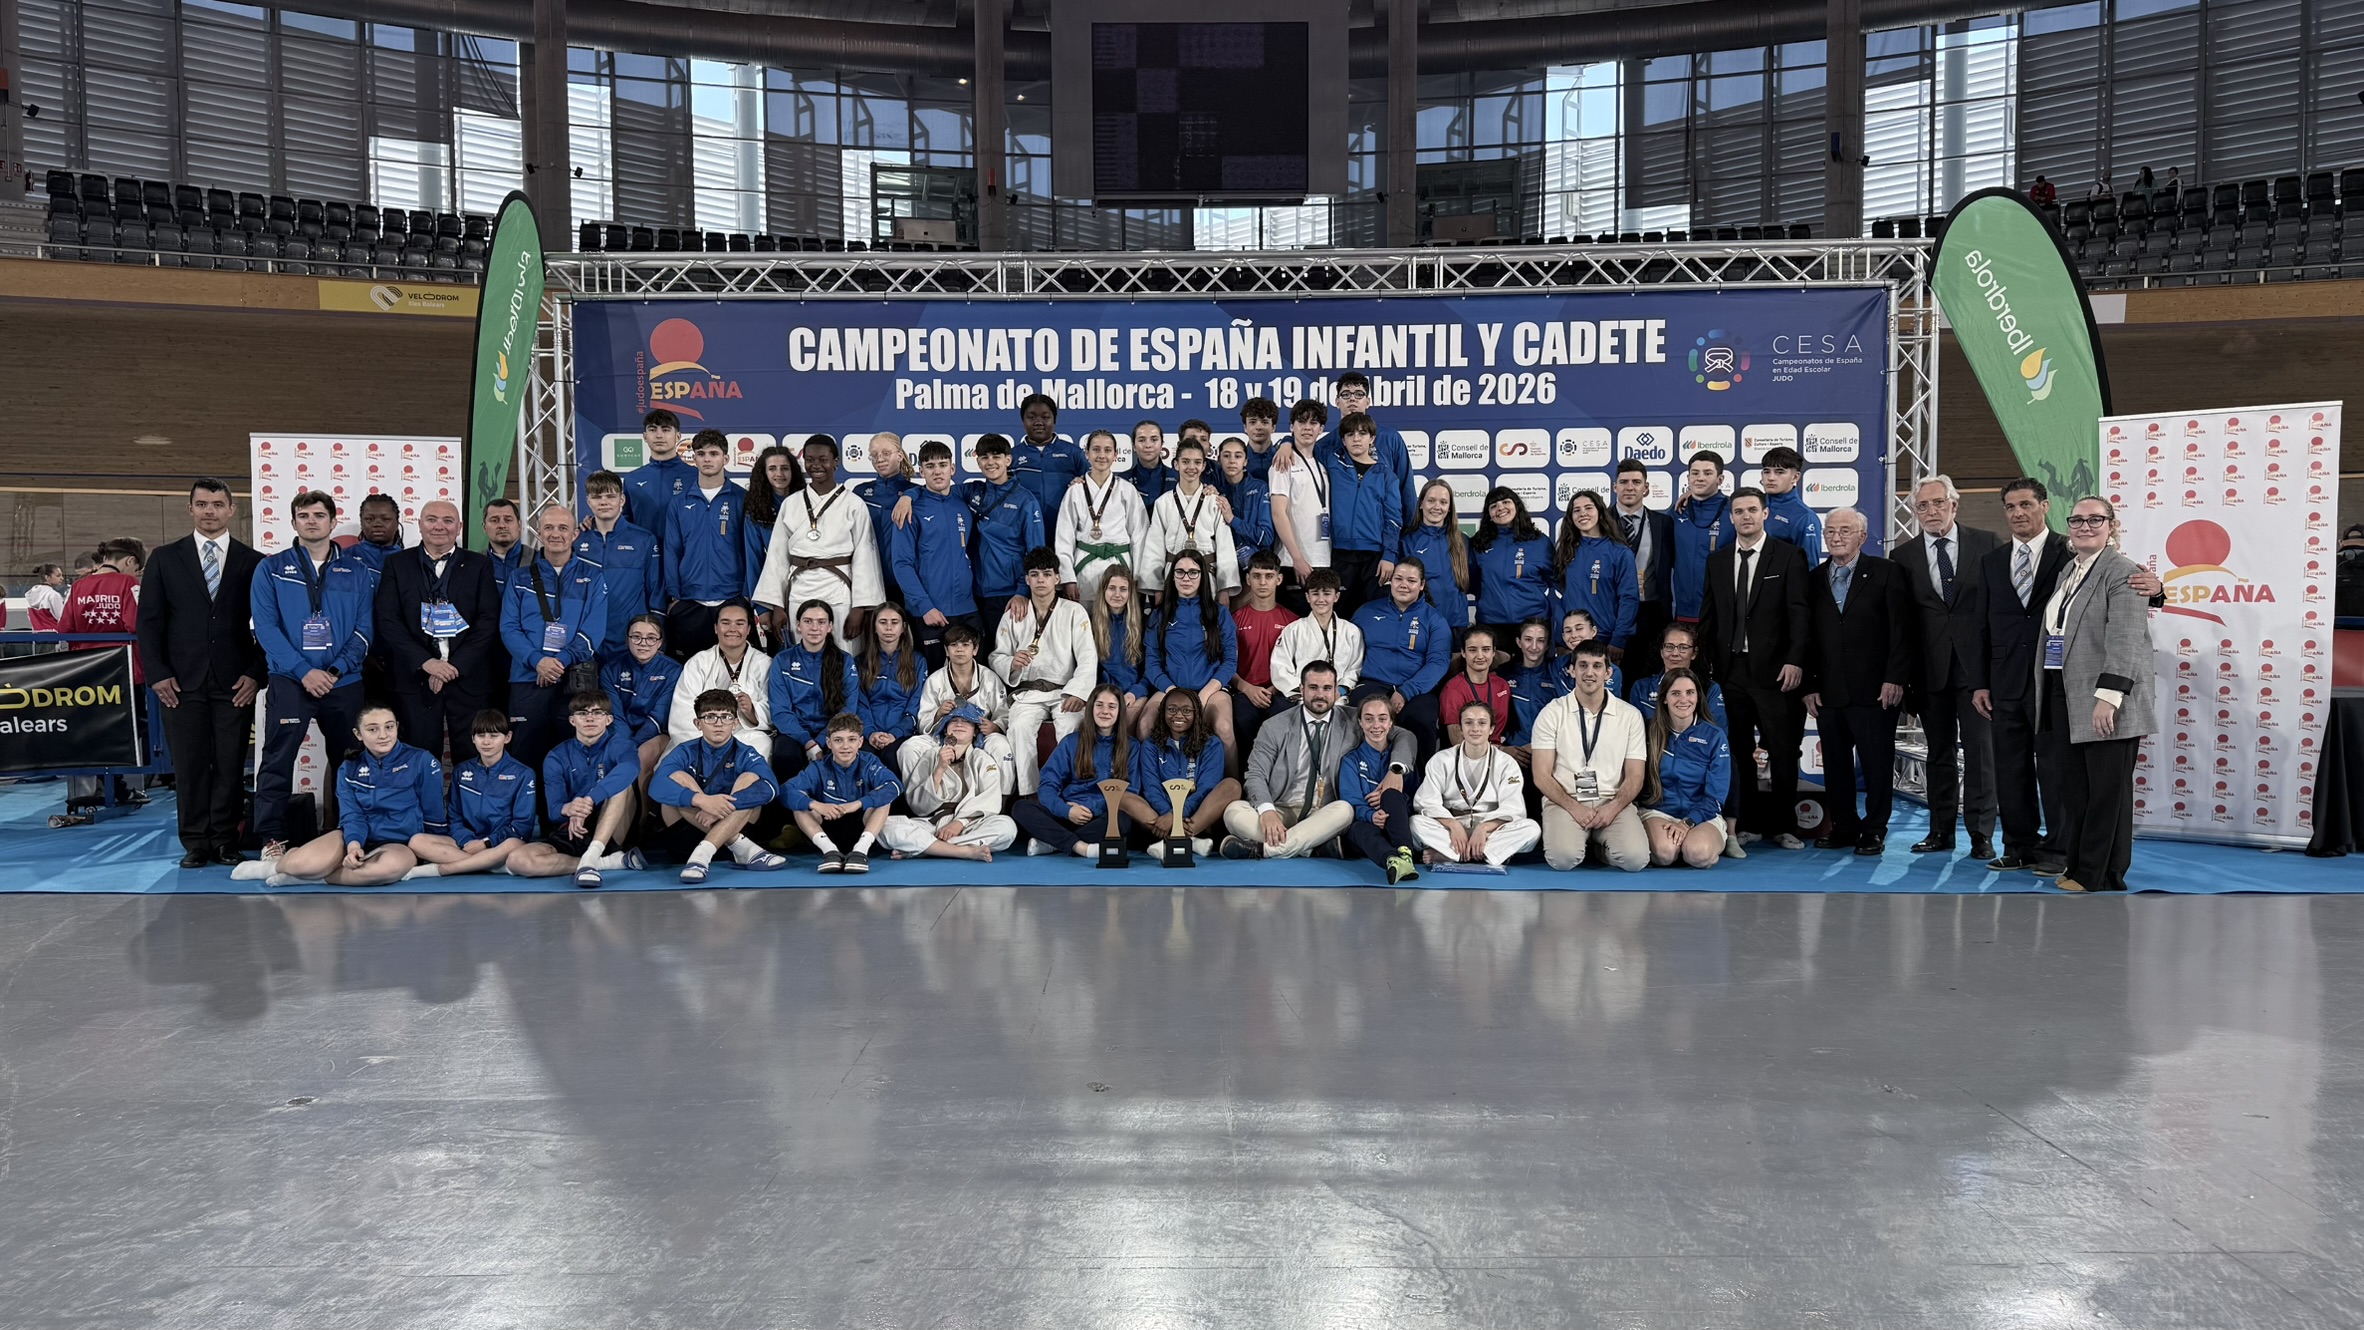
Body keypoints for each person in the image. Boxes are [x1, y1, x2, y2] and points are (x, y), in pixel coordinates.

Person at [139, 478, 265, 867]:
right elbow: (149, 622)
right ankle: (195, 842)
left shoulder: (254, 561)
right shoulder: (164, 558)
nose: (210, 511)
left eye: (218, 504)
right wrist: (157, 674)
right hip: (179, 682)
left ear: (231, 510)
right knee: (189, 765)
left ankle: (226, 840)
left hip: (235, 682)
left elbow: (269, 625)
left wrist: (256, 673)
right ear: (190, 509)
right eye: (203, 504)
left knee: (230, 764)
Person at [251, 491, 375, 861]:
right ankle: (272, 837)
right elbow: (266, 629)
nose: (311, 521)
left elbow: (364, 629)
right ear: (293, 522)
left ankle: (351, 834)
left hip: (343, 681)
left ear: (333, 522)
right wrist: (305, 671)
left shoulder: (357, 570)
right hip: (291, 680)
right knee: (277, 758)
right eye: (303, 515)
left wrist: (334, 670)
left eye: (319, 515)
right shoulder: (271, 568)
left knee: (351, 761)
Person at [2045, 497, 2157, 894]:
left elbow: (2125, 639)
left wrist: (2108, 698)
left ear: (2112, 525)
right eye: (2077, 520)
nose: (2084, 526)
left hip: (2107, 699)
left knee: (2107, 793)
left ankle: (2100, 874)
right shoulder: (2069, 570)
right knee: (2079, 790)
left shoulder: (2123, 572)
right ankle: (2078, 865)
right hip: (2069, 692)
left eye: (2095, 519)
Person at [1697, 487, 1811, 850]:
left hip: (1777, 673)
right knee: (1738, 750)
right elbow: (1709, 616)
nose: (1745, 516)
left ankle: (1785, 825)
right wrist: (1706, 666)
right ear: (1731, 517)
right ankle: (1747, 822)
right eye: (1739, 511)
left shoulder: (1789, 556)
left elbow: (1799, 613)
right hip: (1731, 672)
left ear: (1764, 514)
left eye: (1752, 510)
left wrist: (1795, 660)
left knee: (1782, 750)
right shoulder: (1717, 560)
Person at [1893, 475, 2000, 858]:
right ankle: (1940, 831)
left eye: (1938, 503)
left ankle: (1981, 835)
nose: (1931, 511)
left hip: (1976, 673)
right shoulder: (1902, 557)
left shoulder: (1987, 543)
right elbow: (1901, 623)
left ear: (1954, 505)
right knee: (1937, 754)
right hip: (1929, 673)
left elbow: (1998, 609)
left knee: (1980, 754)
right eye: (1922, 506)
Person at [1970, 477, 2072, 875]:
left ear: (2045, 506)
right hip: (2004, 681)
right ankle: (2018, 846)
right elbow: (1981, 624)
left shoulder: (2069, 551)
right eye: (2011, 507)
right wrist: (1980, 682)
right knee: (2010, 769)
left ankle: (2059, 849)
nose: (2018, 513)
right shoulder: (1992, 561)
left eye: (2026, 504)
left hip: (2054, 680)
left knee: (2055, 768)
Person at [1804, 508, 1914, 856]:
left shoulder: (1887, 572)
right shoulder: (1813, 579)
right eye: (1830, 531)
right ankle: (1844, 826)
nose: (1836, 537)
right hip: (1829, 691)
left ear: (1862, 537)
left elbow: (1902, 630)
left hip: (1876, 690)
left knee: (1877, 764)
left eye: (1845, 531)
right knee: (1835, 766)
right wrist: (1809, 685)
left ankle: (1875, 829)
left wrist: (1894, 678)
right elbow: (1806, 637)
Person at [253, 703, 438, 887]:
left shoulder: (422, 760)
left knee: (385, 869)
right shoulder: (348, 767)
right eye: (372, 729)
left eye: (389, 727)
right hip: (353, 836)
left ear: (396, 727)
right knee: (299, 864)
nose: (383, 735)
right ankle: (271, 869)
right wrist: (354, 845)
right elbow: (352, 815)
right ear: (358, 734)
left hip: (401, 843)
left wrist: (431, 851)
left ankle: (311, 878)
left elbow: (434, 814)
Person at [1219, 660, 1389, 860]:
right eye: (1313, 687)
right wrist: (1267, 811)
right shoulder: (1275, 726)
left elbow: (1403, 737)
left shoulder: (1354, 720)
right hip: (1281, 809)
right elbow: (1256, 773)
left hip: (1324, 814)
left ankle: (1265, 850)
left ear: (1336, 690)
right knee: (1233, 812)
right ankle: (1311, 847)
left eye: (1327, 688)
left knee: (1345, 810)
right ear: (1302, 689)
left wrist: (1397, 770)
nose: (1320, 695)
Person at [375, 498, 500, 763]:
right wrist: (427, 663)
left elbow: (488, 621)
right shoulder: (397, 564)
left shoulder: (479, 565)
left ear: (460, 527)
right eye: (431, 520)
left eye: (447, 520)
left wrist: (454, 666)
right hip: (414, 680)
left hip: (468, 680)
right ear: (420, 525)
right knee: (417, 759)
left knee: (474, 758)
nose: (439, 526)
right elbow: (388, 621)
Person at [751, 432, 884, 649]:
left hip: (839, 590)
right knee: (801, 651)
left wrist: (859, 608)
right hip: (799, 589)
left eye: (823, 459)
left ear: (836, 462)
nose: (816, 465)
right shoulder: (791, 503)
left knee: (842, 651)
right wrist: (777, 605)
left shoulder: (853, 504)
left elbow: (865, 557)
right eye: (810, 460)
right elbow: (777, 557)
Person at [501, 502, 609, 770]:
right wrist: (537, 661)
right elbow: (509, 628)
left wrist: (557, 662)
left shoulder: (593, 577)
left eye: (563, 528)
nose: (555, 534)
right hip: (527, 678)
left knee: (574, 758)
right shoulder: (519, 578)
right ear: (538, 533)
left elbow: (593, 632)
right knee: (524, 755)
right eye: (548, 528)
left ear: (575, 534)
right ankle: (529, 801)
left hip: (573, 681)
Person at [650, 687, 791, 883]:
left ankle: (702, 855)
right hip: (688, 836)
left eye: (725, 717)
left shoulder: (746, 753)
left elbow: (770, 787)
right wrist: (701, 801)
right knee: (678, 777)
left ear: (735, 723)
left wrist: (722, 807)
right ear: (697, 723)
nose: (718, 723)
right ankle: (744, 848)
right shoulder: (684, 751)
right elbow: (656, 786)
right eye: (710, 717)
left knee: (750, 778)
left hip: (736, 826)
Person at [1530, 641, 1649, 871]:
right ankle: (1584, 842)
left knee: (1635, 860)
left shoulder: (1630, 716)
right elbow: (1541, 775)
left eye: (1597, 666)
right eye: (1583, 665)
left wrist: (1614, 807)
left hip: (1612, 800)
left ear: (1608, 672)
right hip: (1565, 800)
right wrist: (1573, 807)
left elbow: (1635, 776)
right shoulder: (1551, 713)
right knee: (1563, 859)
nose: (1589, 672)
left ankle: (1598, 848)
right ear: (1572, 670)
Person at [509, 688, 645, 888]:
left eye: (597, 713)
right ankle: (605, 863)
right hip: (575, 830)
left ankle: (592, 855)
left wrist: (589, 800)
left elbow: (630, 768)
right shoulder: (557, 756)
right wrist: (570, 809)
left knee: (621, 784)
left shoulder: (621, 745)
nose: (590, 718)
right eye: (582, 713)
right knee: (518, 860)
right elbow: (554, 811)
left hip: (615, 828)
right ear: (572, 720)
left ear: (608, 720)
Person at [995, 547, 1099, 794]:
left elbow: (1087, 657)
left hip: (1064, 692)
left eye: (1046, 574)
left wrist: (1078, 693)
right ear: (1027, 580)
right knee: (1019, 727)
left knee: (1071, 726)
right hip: (1029, 693)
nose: (1040, 580)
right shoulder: (1014, 614)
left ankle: (1069, 790)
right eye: (1034, 574)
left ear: (1057, 578)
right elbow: (996, 655)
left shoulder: (1074, 611)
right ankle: (1030, 793)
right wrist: (1012, 663)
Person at [406, 709, 539, 878]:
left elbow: (522, 827)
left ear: (507, 738)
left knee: (513, 844)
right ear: (473, 738)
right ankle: (492, 867)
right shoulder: (461, 771)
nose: (487, 742)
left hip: (501, 844)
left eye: (494, 736)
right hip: (467, 844)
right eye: (481, 735)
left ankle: (445, 868)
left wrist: (486, 843)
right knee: (417, 841)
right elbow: (454, 818)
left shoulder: (524, 774)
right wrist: (467, 841)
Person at [1413, 700, 1540, 867]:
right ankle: (1487, 853)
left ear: (1491, 728)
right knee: (1415, 823)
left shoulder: (1506, 763)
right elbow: (1426, 802)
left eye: (1482, 723)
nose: (1475, 728)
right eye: (1468, 723)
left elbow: (1513, 808)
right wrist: (1453, 825)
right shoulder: (1441, 760)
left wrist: (1483, 828)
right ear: (1460, 728)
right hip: (1452, 826)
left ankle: (1453, 854)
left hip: (1490, 829)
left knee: (1531, 829)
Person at [881, 704, 1016, 861]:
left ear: (975, 732)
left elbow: (990, 800)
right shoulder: (931, 756)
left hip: (969, 824)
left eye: (966, 721)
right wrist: (939, 769)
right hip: (934, 823)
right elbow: (918, 806)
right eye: (954, 720)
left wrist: (959, 822)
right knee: (884, 826)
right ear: (945, 730)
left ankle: (928, 848)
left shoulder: (983, 759)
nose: (959, 724)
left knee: (1007, 827)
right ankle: (964, 850)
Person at [1013, 684, 1133, 858]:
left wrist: (1091, 808)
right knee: (1021, 808)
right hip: (1067, 813)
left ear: (1120, 711)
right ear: (1090, 708)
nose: (1105, 711)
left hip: (1101, 815)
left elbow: (1131, 791)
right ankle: (1080, 847)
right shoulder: (1071, 742)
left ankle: (1054, 843)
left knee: (1123, 820)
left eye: (1112, 706)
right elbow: (1048, 784)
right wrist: (1066, 811)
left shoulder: (1131, 747)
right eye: (1099, 705)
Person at [1144, 550, 1239, 767]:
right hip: (1170, 688)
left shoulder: (1219, 614)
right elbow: (1152, 663)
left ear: (1203, 576)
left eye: (1193, 572)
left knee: (1224, 728)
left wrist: (1204, 694)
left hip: (1210, 690)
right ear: (1172, 576)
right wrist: (1172, 692)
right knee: (1145, 725)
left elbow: (1230, 661)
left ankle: (1232, 783)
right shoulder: (1159, 615)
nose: (1186, 578)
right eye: (1180, 572)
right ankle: (1151, 782)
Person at [891, 441, 980, 667]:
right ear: (921, 472)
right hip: (930, 612)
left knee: (972, 676)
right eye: (930, 466)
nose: (937, 471)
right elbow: (901, 564)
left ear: (953, 468)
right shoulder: (909, 509)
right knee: (934, 679)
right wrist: (925, 607)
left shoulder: (963, 502)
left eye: (943, 464)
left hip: (967, 608)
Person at [660, 429, 748, 657]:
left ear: (726, 458)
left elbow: (750, 550)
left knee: (732, 668)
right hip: (690, 600)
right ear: (694, 458)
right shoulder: (679, 503)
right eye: (701, 453)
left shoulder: (742, 499)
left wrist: (746, 594)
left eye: (713, 453)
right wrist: (674, 597)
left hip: (732, 598)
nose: (707, 459)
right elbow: (672, 550)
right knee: (690, 668)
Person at [1122, 688, 1239, 854]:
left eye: (1186, 711)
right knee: (1123, 796)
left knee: (1232, 786)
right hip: (1160, 815)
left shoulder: (1211, 744)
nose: (1178, 715)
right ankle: (1188, 841)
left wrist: (1175, 816)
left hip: (1196, 816)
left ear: (1196, 713)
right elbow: (1151, 788)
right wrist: (1167, 813)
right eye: (1172, 709)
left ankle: (1180, 837)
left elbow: (1207, 788)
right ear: (1163, 712)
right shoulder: (1150, 745)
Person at [1350, 559, 1451, 749]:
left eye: (1411, 581)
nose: (1404, 585)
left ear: (1422, 585)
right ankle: (1359, 766)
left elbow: (1439, 662)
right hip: (1372, 683)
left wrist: (1406, 692)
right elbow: (1347, 651)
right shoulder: (1366, 612)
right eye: (1398, 579)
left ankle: (1420, 769)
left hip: (1416, 688)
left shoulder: (1435, 620)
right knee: (1357, 709)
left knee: (1422, 719)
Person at [783, 711, 901, 872]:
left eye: (851, 740)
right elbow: (786, 790)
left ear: (860, 742)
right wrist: (817, 805)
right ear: (829, 743)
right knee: (800, 804)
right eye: (838, 740)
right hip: (827, 828)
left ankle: (860, 852)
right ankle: (830, 852)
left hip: (862, 828)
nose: (845, 746)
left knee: (883, 799)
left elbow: (894, 786)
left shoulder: (869, 762)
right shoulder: (819, 767)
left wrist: (857, 804)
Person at [1640, 668, 1732, 868]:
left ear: (1698, 697)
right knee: (1665, 854)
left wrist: (1688, 822)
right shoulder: (1648, 731)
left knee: (1698, 854)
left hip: (1702, 816)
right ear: (1664, 699)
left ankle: (1699, 844)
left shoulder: (1714, 736)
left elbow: (1716, 795)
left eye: (1690, 693)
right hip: (1659, 812)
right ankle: (1677, 847)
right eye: (1675, 693)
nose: (1684, 699)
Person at [908, 624, 1015, 789]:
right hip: (944, 737)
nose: (959, 649)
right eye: (953, 645)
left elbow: (1004, 713)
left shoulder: (990, 679)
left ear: (975, 649)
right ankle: (919, 797)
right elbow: (923, 721)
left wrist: (995, 727)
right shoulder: (935, 680)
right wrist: (938, 713)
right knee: (909, 747)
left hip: (980, 736)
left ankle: (1003, 797)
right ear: (946, 650)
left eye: (965, 645)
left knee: (1001, 746)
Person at [1317, 412, 1403, 613]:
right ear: (1343, 440)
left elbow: (1393, 520)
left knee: (1375, 614)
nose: (1356, 439)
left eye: (1362, 433)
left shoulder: (1386, 475)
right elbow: (1304, 444)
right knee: (1340, 614)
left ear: (1372, 438)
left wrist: (1389, 556)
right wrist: (1286, 442)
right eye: (1350, 434)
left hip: (1374, 557)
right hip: (1339, 554)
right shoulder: (1332, 461)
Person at [668, 599, 774, 761]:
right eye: (725, 623)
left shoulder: (765, 664)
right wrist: (707, 746)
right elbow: (682, 712)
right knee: (670, 765)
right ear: (716, 628)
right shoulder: (698, 662)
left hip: (743, 735)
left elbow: (773, 708)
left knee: (762, 744)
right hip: (701, 738)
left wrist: (752, 711)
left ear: (748, 629)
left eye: (740, 623)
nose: (732, 629)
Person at [1334, 694, 1423, 883]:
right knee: (1358, 829)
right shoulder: (1351, 760)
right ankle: (1392, 860)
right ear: (1360, 723)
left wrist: (1388, 802)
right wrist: (1371, 815)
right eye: (1369, 719)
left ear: (1391, 723)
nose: (1376, 725)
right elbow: (1351, 802)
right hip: (1368, 828)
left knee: (1391, 795)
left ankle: (1405, 854)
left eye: (1382, 719)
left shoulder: (1402, 760)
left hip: (1398, 827)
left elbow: (1415, 797)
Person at [575, 470, 661, 664]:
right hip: (586, 640)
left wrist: (657, 636)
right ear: (588, 501)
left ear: (622, 500)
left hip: (630, 640)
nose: (604, 502)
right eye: (597, 497)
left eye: (610, 496)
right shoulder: (576, 541)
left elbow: (656, 592)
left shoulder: (644, 539)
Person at [1138, 435, 1241, 596]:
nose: (1191, 467)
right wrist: (1157, 588)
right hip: (1173, 577)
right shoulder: (1163, 503)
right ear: (1176, 464)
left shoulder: (1215, 502)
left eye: (1197, 462)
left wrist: (1224, 589)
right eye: (1185, 461)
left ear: (1204, 466)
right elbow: (1154, 549)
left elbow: (1225, 548)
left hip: (1207, 574)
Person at [1055, 430, 1149, 603]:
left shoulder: (1127, 490)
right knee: (1083, 618)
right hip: (1085, 567)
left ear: (1116, 455)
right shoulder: (1075, 491)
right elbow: (1063, 538)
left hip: (1120, 568)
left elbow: (1139, 536)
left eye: (1107, 450)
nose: (1102, 455)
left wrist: (1137, 576)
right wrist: (1068, 578)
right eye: (1096, 449)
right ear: (1087, 454)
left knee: (1118, 616)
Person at [763, 599, 852, 776]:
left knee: (846, 754)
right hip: (794, 731)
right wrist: (807, 742)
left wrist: (822, 740)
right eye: (808, 621)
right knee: (785, 755)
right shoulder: (782, 660)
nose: (814, 628)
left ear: (830, 627)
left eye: (821, 622)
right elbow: (780, 710)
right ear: (798, 626)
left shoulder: (845, 660)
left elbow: (848, 708)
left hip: (832, 730)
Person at [963, 434, 1047, 612]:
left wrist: (1022, 592)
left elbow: (1036, 552)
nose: (990, 462)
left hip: (1010, 594)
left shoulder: (1026, 501)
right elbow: (935, 491)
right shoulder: (972, 491)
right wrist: (909, 496)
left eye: (996, 457)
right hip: (975, 592)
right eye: (984, 457)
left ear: (1008, 460)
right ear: (978, 462)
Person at [1227, 552, 1297, 761]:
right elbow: (1225, 663)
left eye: (1269, 576)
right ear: (1248, 579)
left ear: (1279, 579)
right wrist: (1247, 688)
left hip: (1280, 692)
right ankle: (1246, 774)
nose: (1263, 582)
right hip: (1245, 692)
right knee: (1242, 717)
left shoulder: (1293, 622)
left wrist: (1276, 687)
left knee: (1283, 719)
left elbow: (1298, 664)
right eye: (1257, 576)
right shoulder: (1234, 620)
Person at [1613, 458, 1677, 679]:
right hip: (1614, 612)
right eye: (1624, 482)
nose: (1630, 487)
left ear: (1646, 488)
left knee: (1650, 676)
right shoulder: (1600, 522)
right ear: (1615, 487)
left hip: (1652, 612)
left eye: (1636, 482)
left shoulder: (1664, 523)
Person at [1267, 400, 1334, 608]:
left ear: (1321, 429)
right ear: (1291, 426)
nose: (1307, 427)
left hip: (1322, 558)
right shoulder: (1283, 463)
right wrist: (1297, 558)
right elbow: (1278, 513)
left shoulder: (1321, 465)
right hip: (1293, 562)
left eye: (1313, 423)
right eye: (1301, 422)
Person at [1551, 490, 1637, 650]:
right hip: (1571, 642)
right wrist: (1561, 639)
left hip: (1605, 639)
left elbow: (1629, 599)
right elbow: (1561, 595)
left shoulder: (1620, 553)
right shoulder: (1565, 552)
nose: (1582, 513)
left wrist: (1618, 640)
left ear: (1600, 512)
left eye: (1588, 508)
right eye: (1576, 510)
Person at [1469, 487, 1560, 638]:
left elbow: (1556, 578)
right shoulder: (1479, 544)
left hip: (1534, 622)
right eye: (1493, 506)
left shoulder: (1539, 542)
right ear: (1489, 515)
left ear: (1517, 506)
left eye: (1506, 502)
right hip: (1491, 623)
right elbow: (1473, 583)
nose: (1500, 508)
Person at [601, 613, 680, 786]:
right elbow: (616, 715)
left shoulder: (674, 671)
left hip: (656, 734)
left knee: (637, 759)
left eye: (651, 638)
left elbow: (659, 715)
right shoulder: (610, 669)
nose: (643, 643)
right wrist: (625, 743)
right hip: (620, 733)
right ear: (627, 640)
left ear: (660, 643)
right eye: (636, 637)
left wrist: (633, 745)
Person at [738, 444, 806, 631]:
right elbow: (754, 559)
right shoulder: (755, 511)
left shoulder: (807, 503)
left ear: (793, 471)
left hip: (806, 586)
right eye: (772, 469)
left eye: (784, 468)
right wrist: (762, 607)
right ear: (764, 473)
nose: (779, 474)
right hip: (770, 592)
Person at [1269, 567, 1363, 699]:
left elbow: (1355, 668)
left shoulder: (1351, 631)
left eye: (1327, 594)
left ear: (1336, 597)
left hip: (1338, 697)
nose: (1320, 599)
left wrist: (1340, 690)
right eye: (1315, 593)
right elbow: (1280, 667)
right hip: (1301, 696)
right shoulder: (1293, 630)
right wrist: (1306, 690)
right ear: (1307, 597)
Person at [852, 602, 926, 762]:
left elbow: (916, 704)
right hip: (868, 732)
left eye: (894, 622)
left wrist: (895, 733)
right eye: (883, 622)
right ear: (874, 627)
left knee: (891, 756)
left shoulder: (917, 661)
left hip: (902, 733)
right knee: (862, 757)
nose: (888, 628)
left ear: (903, 627)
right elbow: (860, 703)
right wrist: (870, 732)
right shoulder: (860, 662)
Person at [1669, 450, 1734, 627]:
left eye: (1707, 473)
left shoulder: (1734, 511)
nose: (1700, 478)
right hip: (1682, 611)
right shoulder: (1676, 511)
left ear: (1720, 479)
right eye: (1695, 473)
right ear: (1688, 478)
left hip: (1720, 614)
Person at [1399, 479, 1473, 626]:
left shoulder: (1462, 541)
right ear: (1421, 504)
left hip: (1457, 624)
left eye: (1443, 502)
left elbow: (1474, 580)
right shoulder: (1407, 541)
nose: (1437, 507)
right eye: (1431, 501)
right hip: (1422, 623)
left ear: (1449, 508)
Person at [1626, 622, 1727, 730]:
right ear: (1661, 651)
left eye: (1683, 647)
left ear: (1694, 653)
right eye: (1669, 647)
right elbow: (1633, 731)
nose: (1675, 653)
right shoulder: (1641, 688)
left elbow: (1717, 733)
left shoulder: (1710, 689)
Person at [1008, 393, 1090, 520]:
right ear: (1023, 421)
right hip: (1025, 527)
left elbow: (1091, 488)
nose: (1038, 422)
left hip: (1066, 526)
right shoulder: (1011, 456)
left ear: (1054, 421)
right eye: (1031, 417)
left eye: (1045, 417)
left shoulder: (1073, 453)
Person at [1093, 563, 1153, 732]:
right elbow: (1090, 669)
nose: (1117, 594)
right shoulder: (1092, 624)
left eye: (1123, 589)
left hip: (1136, 692)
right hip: (1104, 692)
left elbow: (1151, 668)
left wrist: (1135, 692)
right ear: (1104, 590)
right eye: (1112, 588)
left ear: (1130, 592)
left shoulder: (1144, 624)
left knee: (1125, 722)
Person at [858, 432, 916, 606]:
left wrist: (909, 495)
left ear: (900, 455)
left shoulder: (916, 492)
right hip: (869, 582)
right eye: (874, 455)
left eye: (886, 453)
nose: (880, 459)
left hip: (905, 583)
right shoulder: (860, 493)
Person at [622, 408, 695, 536]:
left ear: (678, 436)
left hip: (684, 548)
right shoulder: (631, 479)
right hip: (645, 548)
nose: (659, 435)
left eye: (666, 430)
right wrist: (594, 522)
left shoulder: (696, 476)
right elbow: (621, 522)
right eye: (652, 430)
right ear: (645, 436)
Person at [1439, 625, 1514, 747]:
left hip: (1499, 752)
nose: (1480, 656)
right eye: (1473, 650)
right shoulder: (1453, 690)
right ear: (1463, 652)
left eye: (1486, 649)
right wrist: (1501, 751)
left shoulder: (1502, 685)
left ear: (1494, 652)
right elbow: (1459, 744)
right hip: (1469, 755)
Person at [1212, 438, 1275, 579]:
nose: (1232, 461)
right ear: (1219, 460)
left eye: (1238, 456)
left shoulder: (1260, 488)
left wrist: (1232, 520)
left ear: (1245, 461)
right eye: (1226, 455)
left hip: (1258, 568)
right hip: (1224, 568)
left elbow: (1266, 537)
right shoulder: (1214, 491)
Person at [1757, 446, 1826, 565]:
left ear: (1795, 477)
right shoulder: (1751, 507)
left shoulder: (1805, 517)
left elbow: (1809, 567)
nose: (1771, 478)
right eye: (1767, 471)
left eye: (1779, 472)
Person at [347, 493, 406, 575]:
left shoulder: (410, 560)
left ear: (397, 523)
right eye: (369, 519)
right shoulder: (344, 557)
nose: (377, 524)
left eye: (385, 519)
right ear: (361, 523)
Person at [1126, 418, 1177, 509]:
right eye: (1142, 440)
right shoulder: (1122, 481)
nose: (1148, 445)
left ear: (1162, 444)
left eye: (1154, 440)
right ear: (1134, 446)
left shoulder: (1178, 479)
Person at [1237, 397, 1283, 479]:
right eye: (1252, 422)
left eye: (1264, 422)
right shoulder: (1236, 460)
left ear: (1273, 427)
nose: (1258, 427)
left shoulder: (1283, 457)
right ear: (1245, 427)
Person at [24, 563, 67, 632]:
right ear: (47, 577)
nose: (62, 578)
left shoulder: (31, 596)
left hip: (37, 635)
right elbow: (63, 618)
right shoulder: (53, 595)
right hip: (54, 635)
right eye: (58, 575)